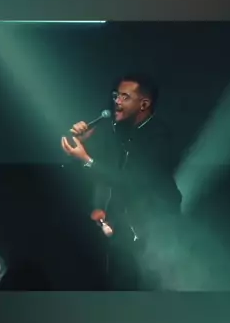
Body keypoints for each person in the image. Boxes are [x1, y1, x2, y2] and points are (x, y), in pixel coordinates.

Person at [61, 74, 182, 289]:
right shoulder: (117, 133)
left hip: (157, 232)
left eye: (125, 97)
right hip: (123, 234)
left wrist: (87, 159)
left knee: (154, 290)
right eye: (116, 95)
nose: (117, 101)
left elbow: (133, 181)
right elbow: (92, 173)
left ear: (144, 104)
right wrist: (81, 144)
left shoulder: (158, 136)